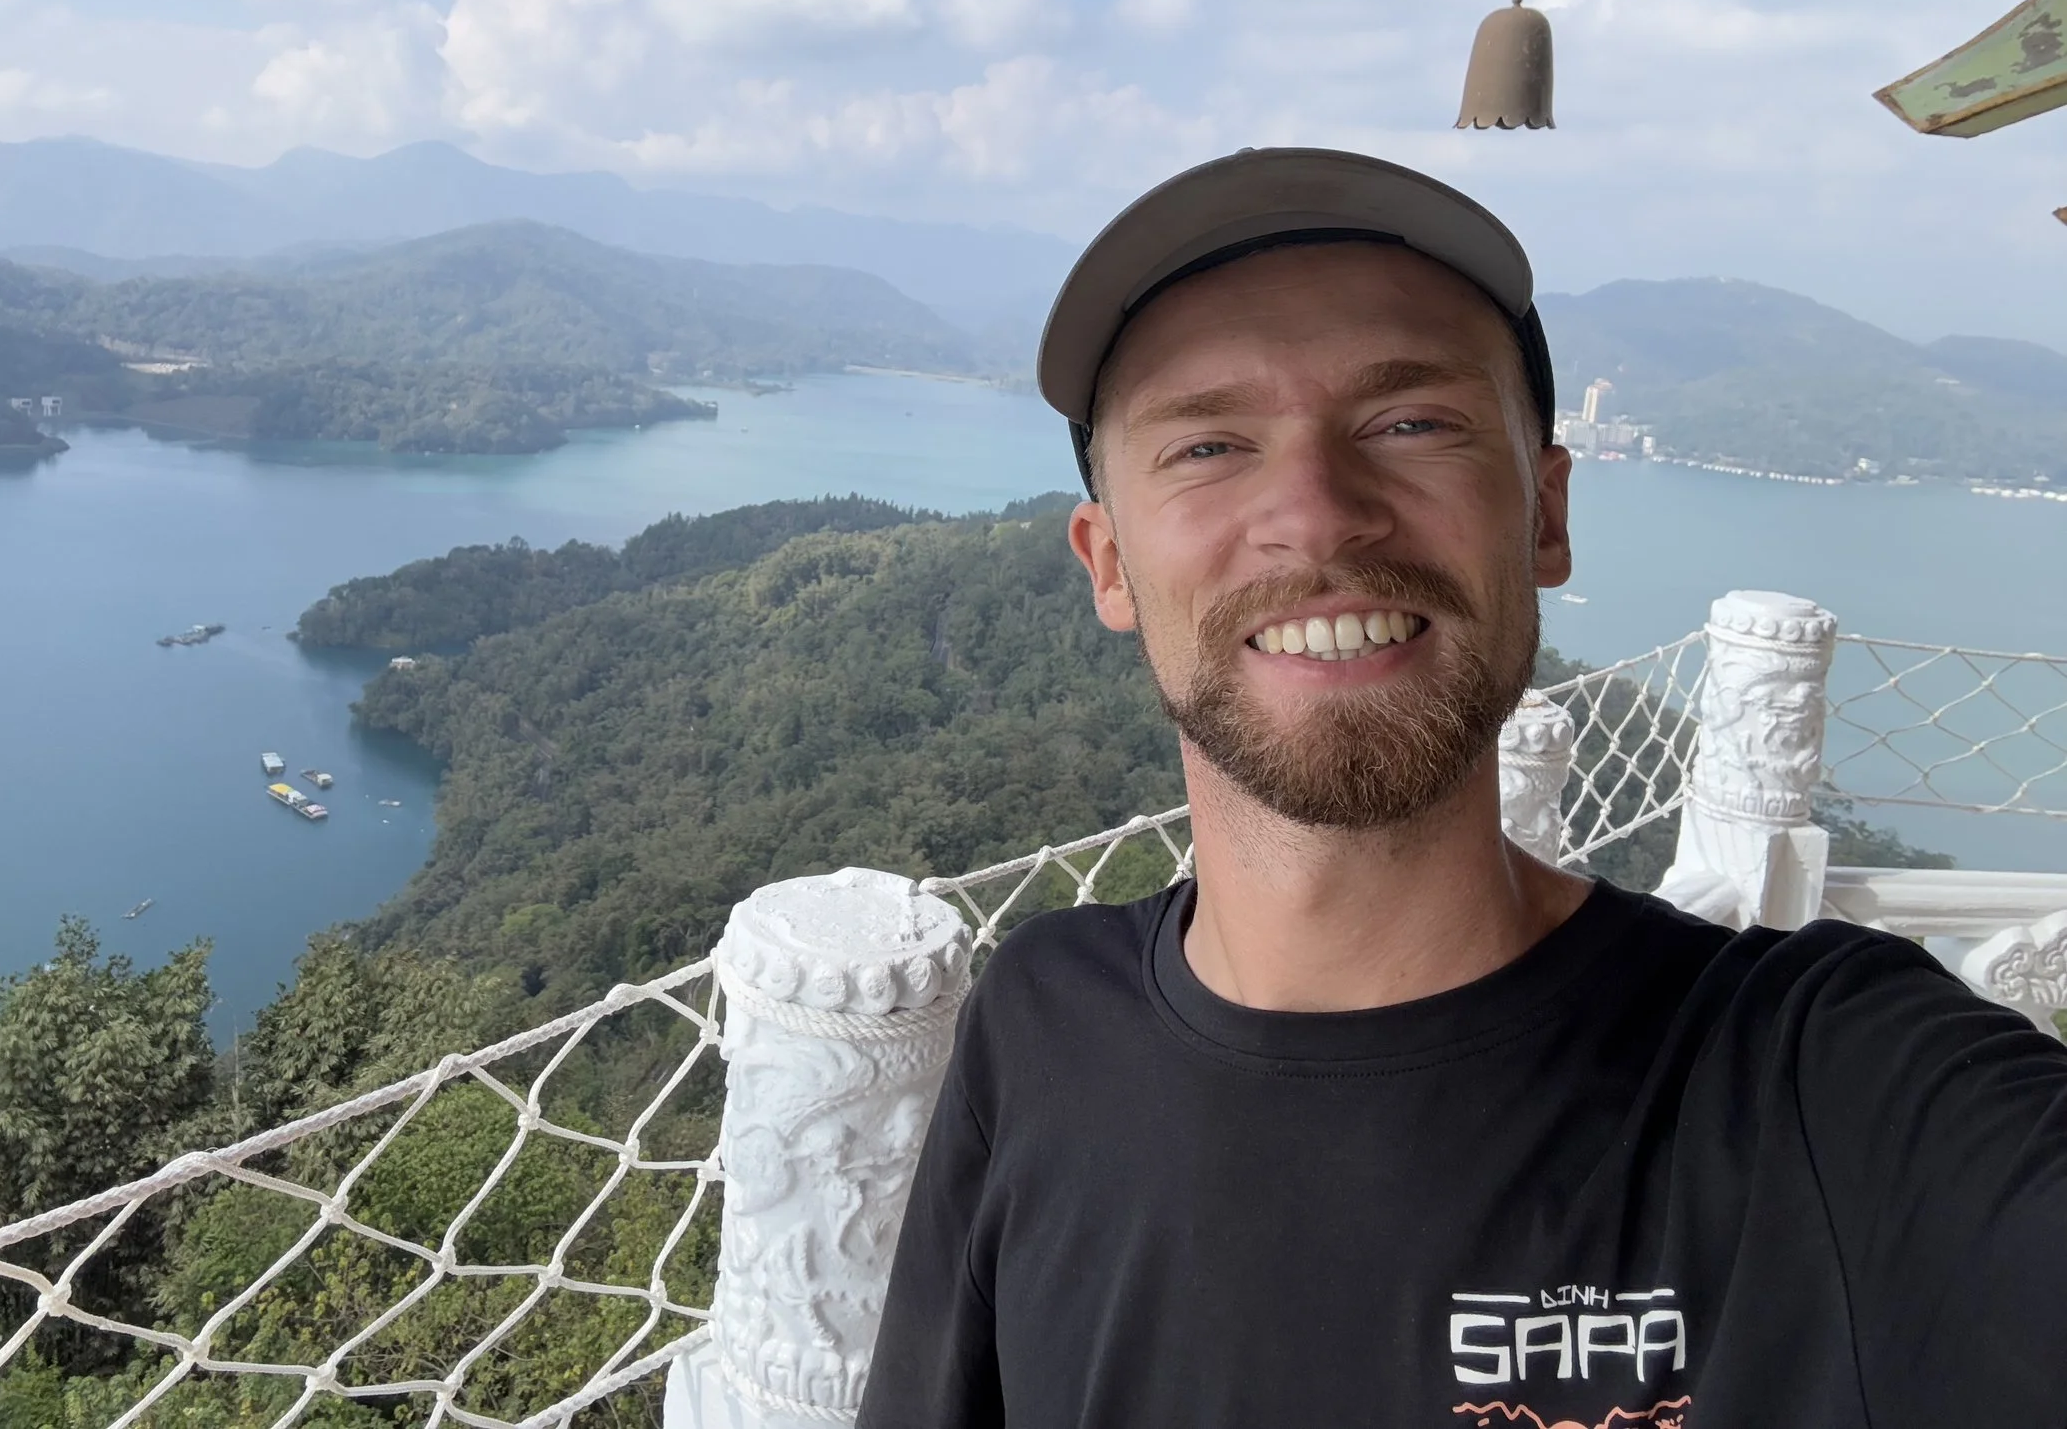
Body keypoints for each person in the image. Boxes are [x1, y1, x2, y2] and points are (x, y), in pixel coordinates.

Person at [857, 148, 2067, 1429]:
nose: (1317, 517)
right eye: (1209, 445)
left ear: (1544, 515)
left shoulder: (1823, 1081)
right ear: (1109, 565)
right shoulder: (1042, 1021)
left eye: (1410, 424)